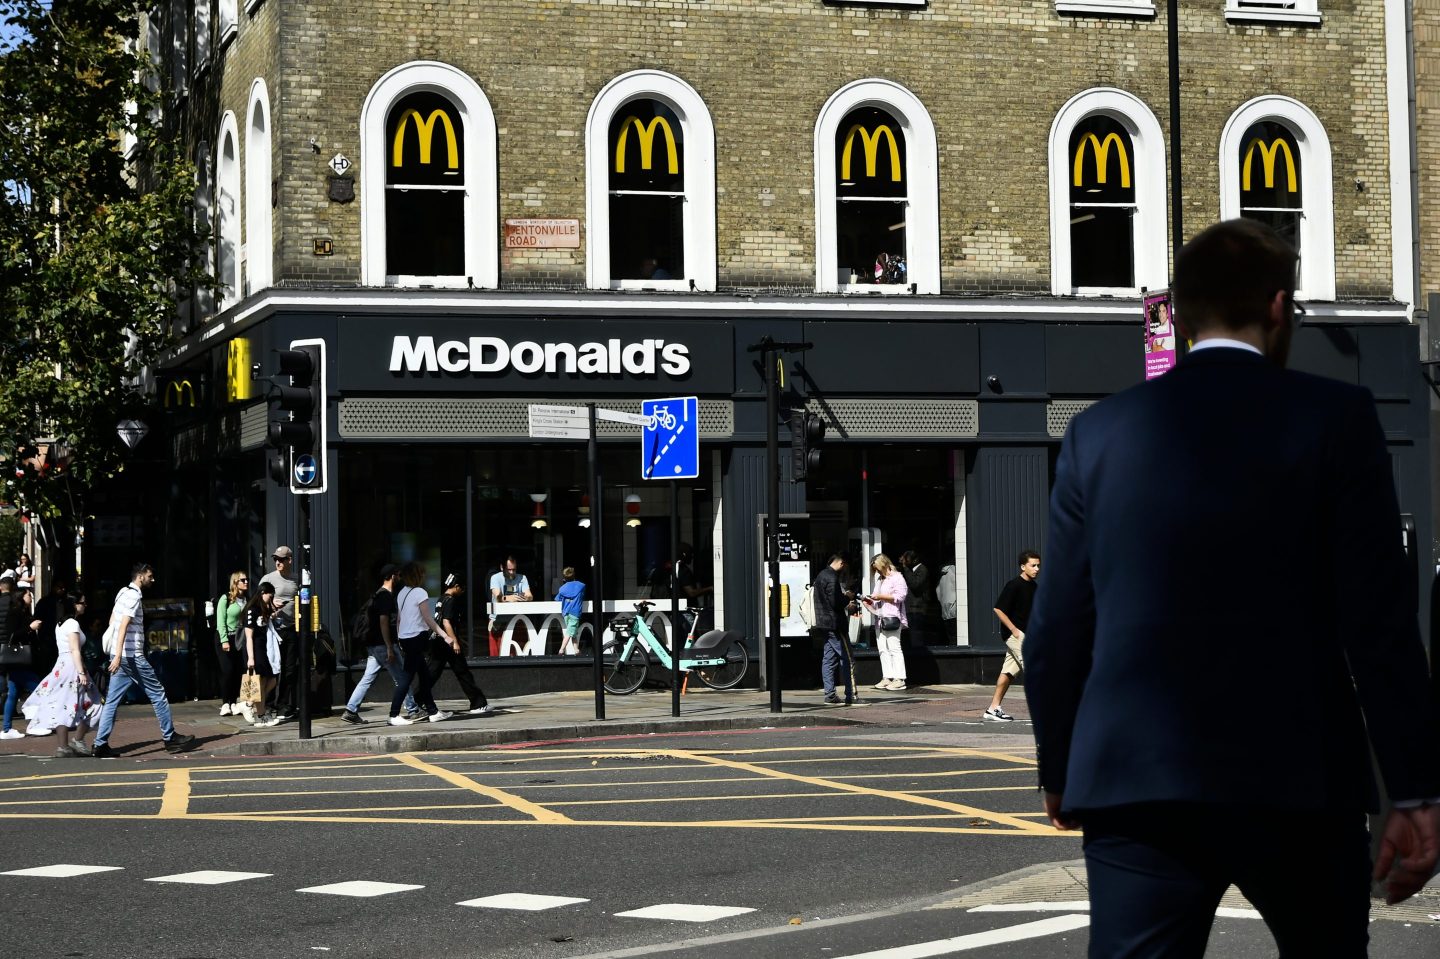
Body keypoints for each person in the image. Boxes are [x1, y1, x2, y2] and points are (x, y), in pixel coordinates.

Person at [1023, 219, 1440, 957]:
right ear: (1279, 308)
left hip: (1138, 782)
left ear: (1181, 316)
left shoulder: (1098, 433)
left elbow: (1056, 629)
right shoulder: (1337, 418)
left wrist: (1060, 765)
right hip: (1300, 779)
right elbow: (1379, 622)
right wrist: (1412, 788)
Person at [91, 563, 196, 757]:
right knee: (158, 694)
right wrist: (119, 654)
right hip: (132, 656)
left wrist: (116, 655)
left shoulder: (122, 592)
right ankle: (170, 738)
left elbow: (112, 622)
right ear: (140, 576)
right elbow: (123, 625)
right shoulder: (134, 596)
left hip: (121, 656)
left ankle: (100, 744)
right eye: (150, 576)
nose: (152, 579)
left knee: (112, 701)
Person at [21, 594, 100, 757]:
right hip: (73, 666)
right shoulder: (72, 623)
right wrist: (81, 672)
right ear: (74, 605)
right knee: (95, 703)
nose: (85, 605)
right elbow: (75, 650)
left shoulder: (60, 624)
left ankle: (63, 746)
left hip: (61, 666)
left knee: (62, 704)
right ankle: (77, 740)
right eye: (82, 602)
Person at [341, 565, 417, 724]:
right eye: (398, 575)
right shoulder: (385, 597)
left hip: (374, 646)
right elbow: (384, 622)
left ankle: (350, 710)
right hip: (383, 645)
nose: (400, 578)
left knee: (367, 678)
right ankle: (413, 709)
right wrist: (389, 647)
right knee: (402, 677)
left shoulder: (377, 595)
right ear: (392, 576)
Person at [390, 562, 451, 726]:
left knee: (424, 676)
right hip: (416, 638)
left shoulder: (401, 593)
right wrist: (445, 636)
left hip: (406, 639)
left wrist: (399, 638)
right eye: (422, 573)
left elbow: (399, 619)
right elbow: (428, 618)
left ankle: (433, 711)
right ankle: (393, 714)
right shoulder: (420, 592)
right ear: (417, 575)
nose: (424, 576)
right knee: (406, 678)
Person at [984, 550, 1040, 722]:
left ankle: (993, 709)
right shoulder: (1014, 585)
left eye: (1038, 565)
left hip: (1028, 636)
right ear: (1023, 567)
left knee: (1008, 672)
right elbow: (998, 609)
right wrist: (1014, 630)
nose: (1037, 569)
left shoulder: (1034, 587)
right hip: (1016, 636)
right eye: (1033, 565)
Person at [428, 572, 492, 716]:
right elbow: (446, 622)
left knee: (433, 673)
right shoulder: (450, 600)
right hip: (448, 643)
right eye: (462, 588)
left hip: (439, 641)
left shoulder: (441, 599)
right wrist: (455, 642)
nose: (462, 591)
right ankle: (478, 703)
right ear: (456, 586)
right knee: (463, 673)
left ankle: (417, 699)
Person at [812, 553, 859, 707]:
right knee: (848, 659)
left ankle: (830, 695)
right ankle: (852, 695)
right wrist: (848, 597)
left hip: (824, 624)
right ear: (842, 563)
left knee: (829, 660)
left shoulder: (821, 575)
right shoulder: (832, 577)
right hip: (835, 624)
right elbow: (835, 602)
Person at [260, 546, 300, 722]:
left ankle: (283, 705)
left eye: (282, 559)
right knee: (273, 668)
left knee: (289, 669)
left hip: (291, 629)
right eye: (276, 559)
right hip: (273, 630)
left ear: (289, 560)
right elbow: (258, 601)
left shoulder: (296, 579)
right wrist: (270, 606)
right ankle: (268, 705)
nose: (278, 562)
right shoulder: (268, 579)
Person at [862, 553, 908, 691]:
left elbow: (901, 596)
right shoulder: (880, 580)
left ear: (884, 564)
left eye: (878, 568)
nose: (877, 571)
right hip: (880, 618)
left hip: (892, 617)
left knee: (894, 648)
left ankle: (899, 679)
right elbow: (877, 599)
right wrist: (869, 601)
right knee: (883, 649)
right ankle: (887, 677)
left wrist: (881, 596)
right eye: (875, 569)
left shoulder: (897, 577)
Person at [241, 581, 280, 726]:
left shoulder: (263, 609)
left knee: (270, 681)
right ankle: (260, 715)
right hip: (254, 649)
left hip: (262, 649)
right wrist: (251, 658)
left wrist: (274, 607)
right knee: (260, 682)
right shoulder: (251, 610)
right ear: (263, 593)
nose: (271, 599)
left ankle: (250, 704)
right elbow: (249, 636)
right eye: (270, 596)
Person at [214, 571, 248, 718]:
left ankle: (234, 702)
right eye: (243, 580)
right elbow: (220, 621)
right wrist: (224, 640)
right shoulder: (226, 598)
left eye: (246, 580)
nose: (246, 582)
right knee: (227, 670)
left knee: (237, 671)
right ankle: (225, 703)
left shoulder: (246, 599)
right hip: (226, 637)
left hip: (240, 639)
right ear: (235, 582)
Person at [898, 550, 935, 646]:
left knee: (916, 635)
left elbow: (915, 584)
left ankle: (919, 652)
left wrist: (905, 568)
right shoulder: (911, 570)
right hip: (910, 608)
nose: (904, 562)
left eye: (907, 560)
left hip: (917, 609)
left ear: (915, 560)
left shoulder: (922, 569)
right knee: (910, 635)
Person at [555, 567, 586, 655]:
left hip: (566, 612)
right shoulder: (581, 586)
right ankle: (561, 650)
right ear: (574, 575)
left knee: (573, 632)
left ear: (564, 578)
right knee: (569, 632)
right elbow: (583, 596)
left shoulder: (562, 589)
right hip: (575, 612)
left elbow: (557, 598)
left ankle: (576, 650)